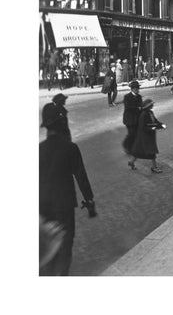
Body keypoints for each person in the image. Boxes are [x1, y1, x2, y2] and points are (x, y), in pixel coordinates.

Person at [39, 102, 96, 275]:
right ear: (62, 123)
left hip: (42, 206)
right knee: (64, 247)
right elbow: (81, 177)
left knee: (46, 248)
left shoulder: (38, 150)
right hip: (64, 206)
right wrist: (90, 200)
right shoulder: (70, 148)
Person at [129, 98, 166, 173]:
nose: (153, 105)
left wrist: (161, 124)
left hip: (149, 135)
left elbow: (155, 121)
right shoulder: (143, 114)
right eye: (151, 104)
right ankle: (154, 167)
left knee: (139, 151)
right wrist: (153, 127)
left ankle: (131, 162)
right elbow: (143, 127)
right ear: (148, 106)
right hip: (145, 136)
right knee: (152, 151)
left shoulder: (150, 112)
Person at [122, 80, 143, 155]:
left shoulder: (139, 97)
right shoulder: (127, 97)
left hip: (136, 119)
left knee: (136, 134)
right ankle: (126, 145)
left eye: (138, 88)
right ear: (132, 89)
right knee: (131, 134)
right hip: (129, 119)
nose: (137, 89)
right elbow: (128, 108)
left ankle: (133, 147)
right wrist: (138, 108)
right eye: (135, 88)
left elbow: (141, 106)